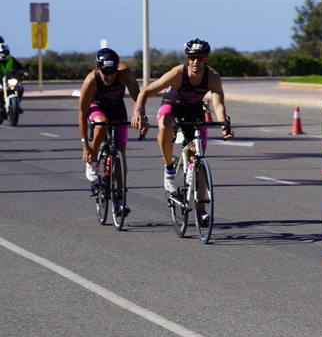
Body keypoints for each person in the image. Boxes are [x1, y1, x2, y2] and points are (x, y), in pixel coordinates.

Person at [131, 39, 234, 225]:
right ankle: (169, 168)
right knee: (165, 125)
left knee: (199, 160)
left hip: (194, 110)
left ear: (206, 59)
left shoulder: (213, 77)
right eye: (192, 57)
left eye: (201, 58)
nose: (196, 62)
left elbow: (218, 104)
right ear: (188, 58)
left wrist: (224, 126)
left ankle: (201, 211)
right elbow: (145, 92)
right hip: (173, 105)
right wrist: (138, 111)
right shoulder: (178, 73)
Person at [78, 48, 144, 212]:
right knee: (102, 124)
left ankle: (120, 198)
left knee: (120, 152)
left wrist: (141, 116)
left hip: (117, 108)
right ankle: (93, 160)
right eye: (105, 73)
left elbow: (138, 98)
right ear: (98, 69)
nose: (109, 77)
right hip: (97, 107)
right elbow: (82, 113)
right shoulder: (91, 81)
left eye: (113, 72)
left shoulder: (124, 73)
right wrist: (85, 146)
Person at [0, 44, 27, 113]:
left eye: (5, 52)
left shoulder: (11, 59)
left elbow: (19, 67)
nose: (3, 54)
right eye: (1, 52)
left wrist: (23, 72)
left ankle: (16, 105)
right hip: (0, 80)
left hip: (9, 79)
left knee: (20, 88)